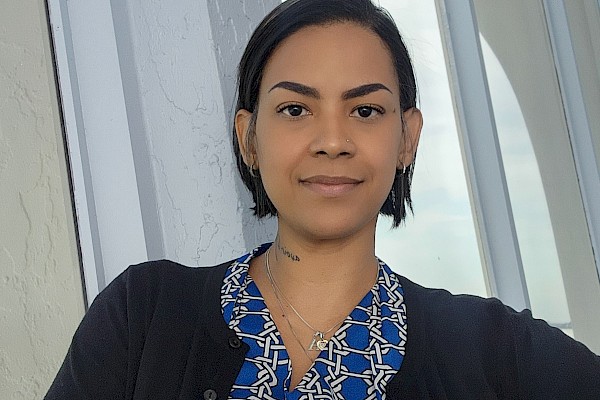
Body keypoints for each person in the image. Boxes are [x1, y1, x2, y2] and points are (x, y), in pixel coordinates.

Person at [45, 0, 600, 399]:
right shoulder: (143, 318)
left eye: (365, 110)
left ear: (407, 137)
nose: (332, 141)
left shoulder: (496, 353)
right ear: (248, 137)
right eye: (294, 109)